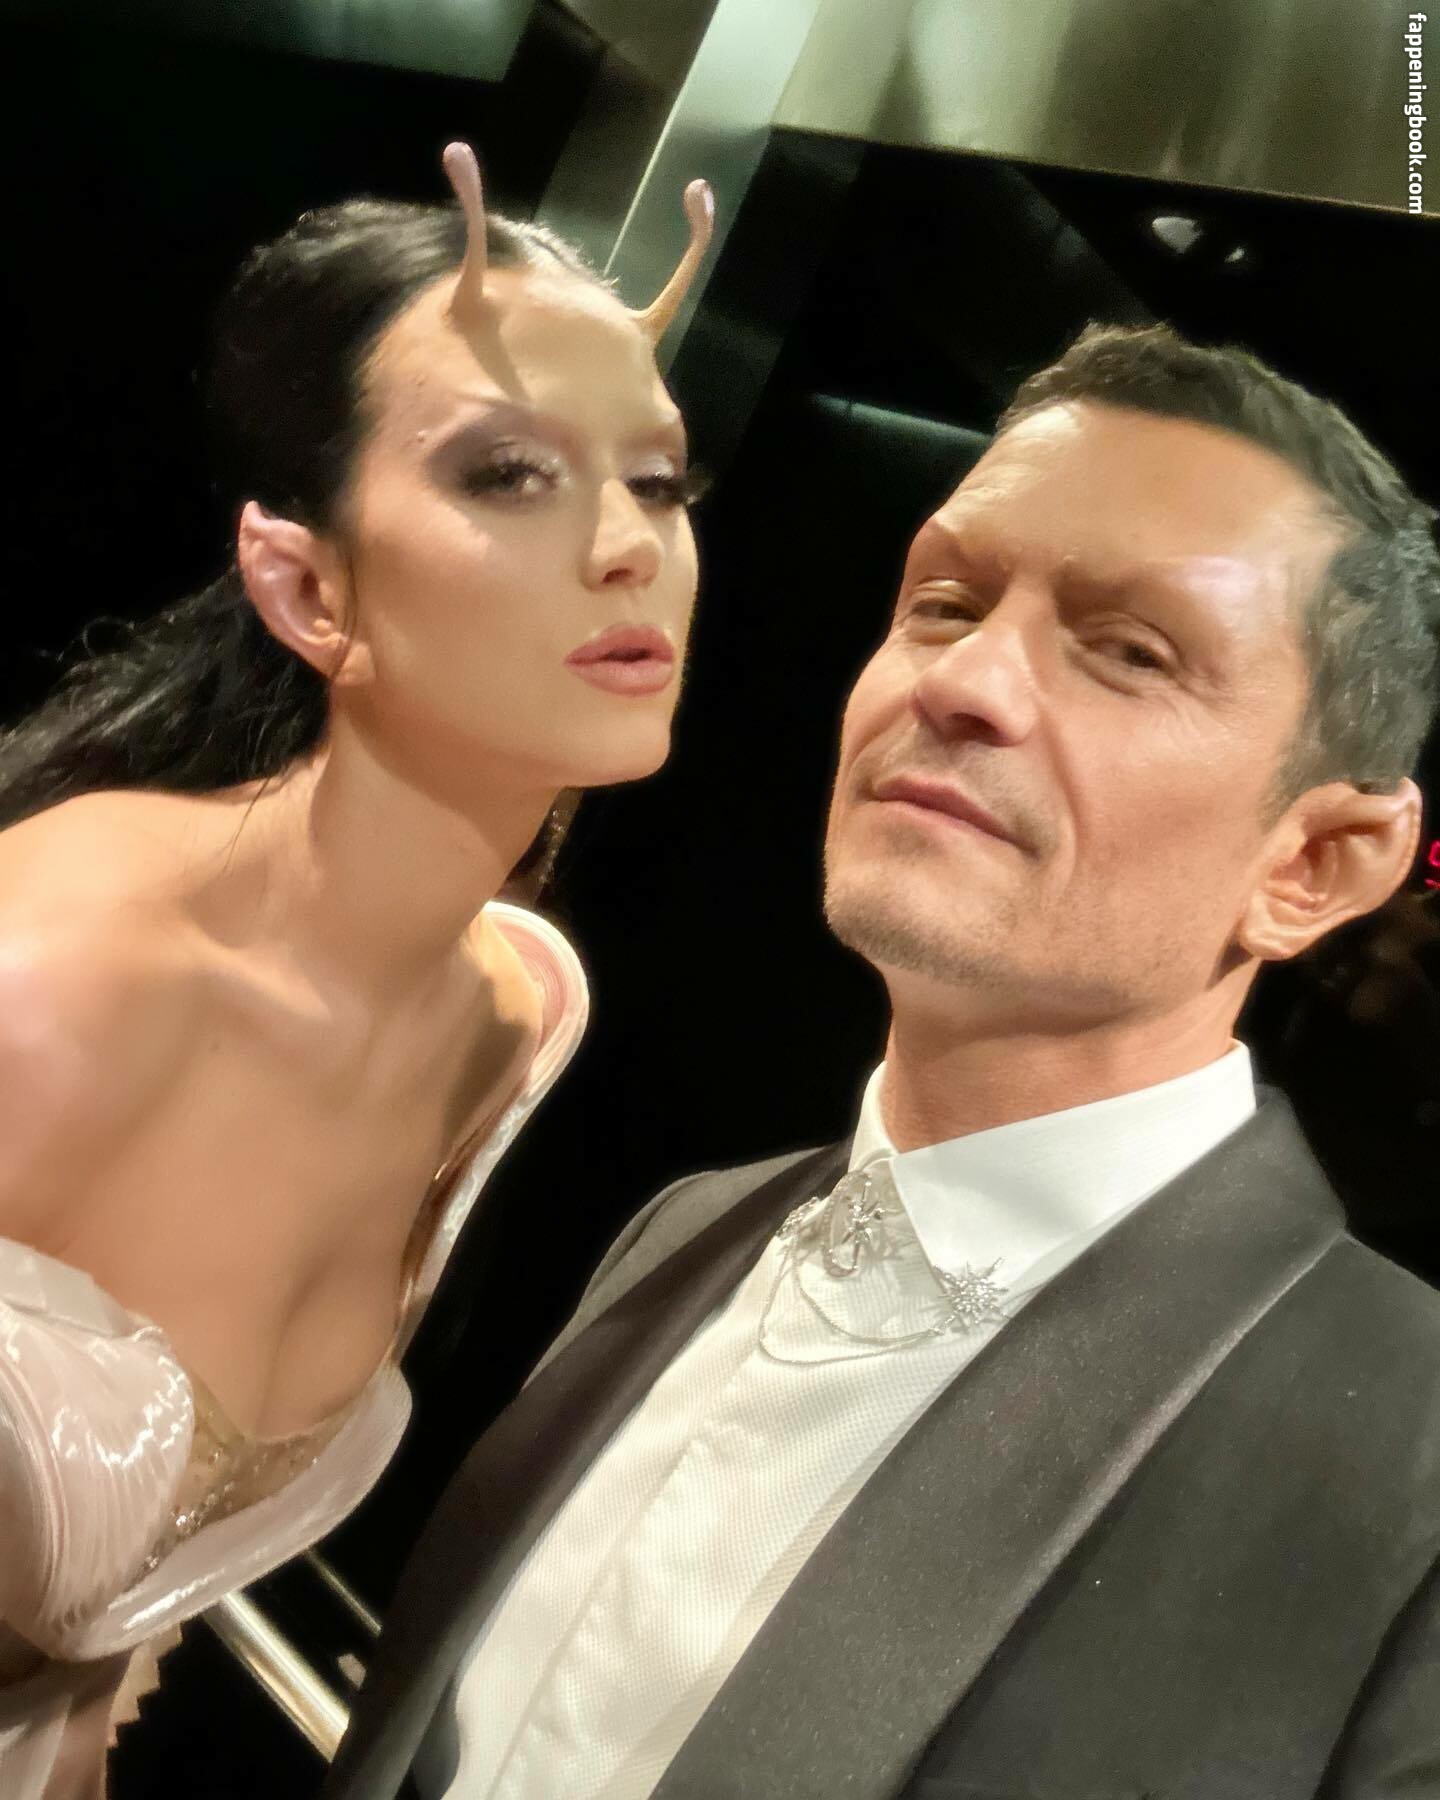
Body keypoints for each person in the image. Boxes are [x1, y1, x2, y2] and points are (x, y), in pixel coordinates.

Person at [322, 322, 1440, 1800]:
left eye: (1130, 651)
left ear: (1316, 863)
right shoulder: (686, 1229)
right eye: (945, 602)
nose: (964, 681)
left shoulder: (1414, 1460)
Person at [0, 142, 714, 1797]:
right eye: (509, 475)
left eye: (664, 481)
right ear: (307, 585)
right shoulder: (58, 971)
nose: (629, 546)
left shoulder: (516, 1021)